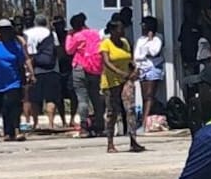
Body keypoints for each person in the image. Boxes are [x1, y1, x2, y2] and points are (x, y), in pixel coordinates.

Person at [0, 19, 34, 142]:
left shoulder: (15, 45)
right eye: (3, 29)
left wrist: (28, 76)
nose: (6, 32)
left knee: (12, 105)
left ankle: (14, 131)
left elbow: (22, 61)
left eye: (8, 29)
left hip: (13, 80)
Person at [99, 17, 145, 154]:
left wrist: (134, 69)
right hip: (111, 82)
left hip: (126, 80)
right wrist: (120, 73)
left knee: (130, 109)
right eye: (120, 29)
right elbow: (106, 62)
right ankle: (110, 143)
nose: (123, 31)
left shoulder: (125, 42)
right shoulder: (106, 44)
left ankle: (133, 141)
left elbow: (129, 59)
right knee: (112, 112)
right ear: (113, 31)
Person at [66, 13, 105, 135]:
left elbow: (69, 50)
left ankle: (84, 127)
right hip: (95, 69)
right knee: (96, 97)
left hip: (80, 67)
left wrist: (69, 36)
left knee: (82, 99)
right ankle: (100, 125)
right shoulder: (96, 33)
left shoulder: (77, 36)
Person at [25, 14, 63, 130]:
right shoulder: (51, 34)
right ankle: (50, 123)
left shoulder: (28, 33)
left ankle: (35, 123)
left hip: (35, 70)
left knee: (35, 99)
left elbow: (28, 54)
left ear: (35, 22)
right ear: (45, 22)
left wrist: (30, 72)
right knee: (51, 98)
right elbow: (58, 51)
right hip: (52, 70)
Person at [134, 16, 165, 120]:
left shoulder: (158, 38)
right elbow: (137, 55)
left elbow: (154, 52)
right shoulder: (140, 40)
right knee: (144, 96)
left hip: (153, 68)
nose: (143, 27)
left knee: (149, 95)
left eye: (144, 24)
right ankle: (148, 117)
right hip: (142, 69)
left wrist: (150, 40)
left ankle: (145, 119)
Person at [53, 15, 78, 129]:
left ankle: (72, 118)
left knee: (73, 93)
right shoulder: (52, 36)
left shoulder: (69, 35)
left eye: (60, 24)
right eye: (56, 24)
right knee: (58, 96)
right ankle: (63, 120)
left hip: (70, 68)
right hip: (57, 69)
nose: (58, 26)